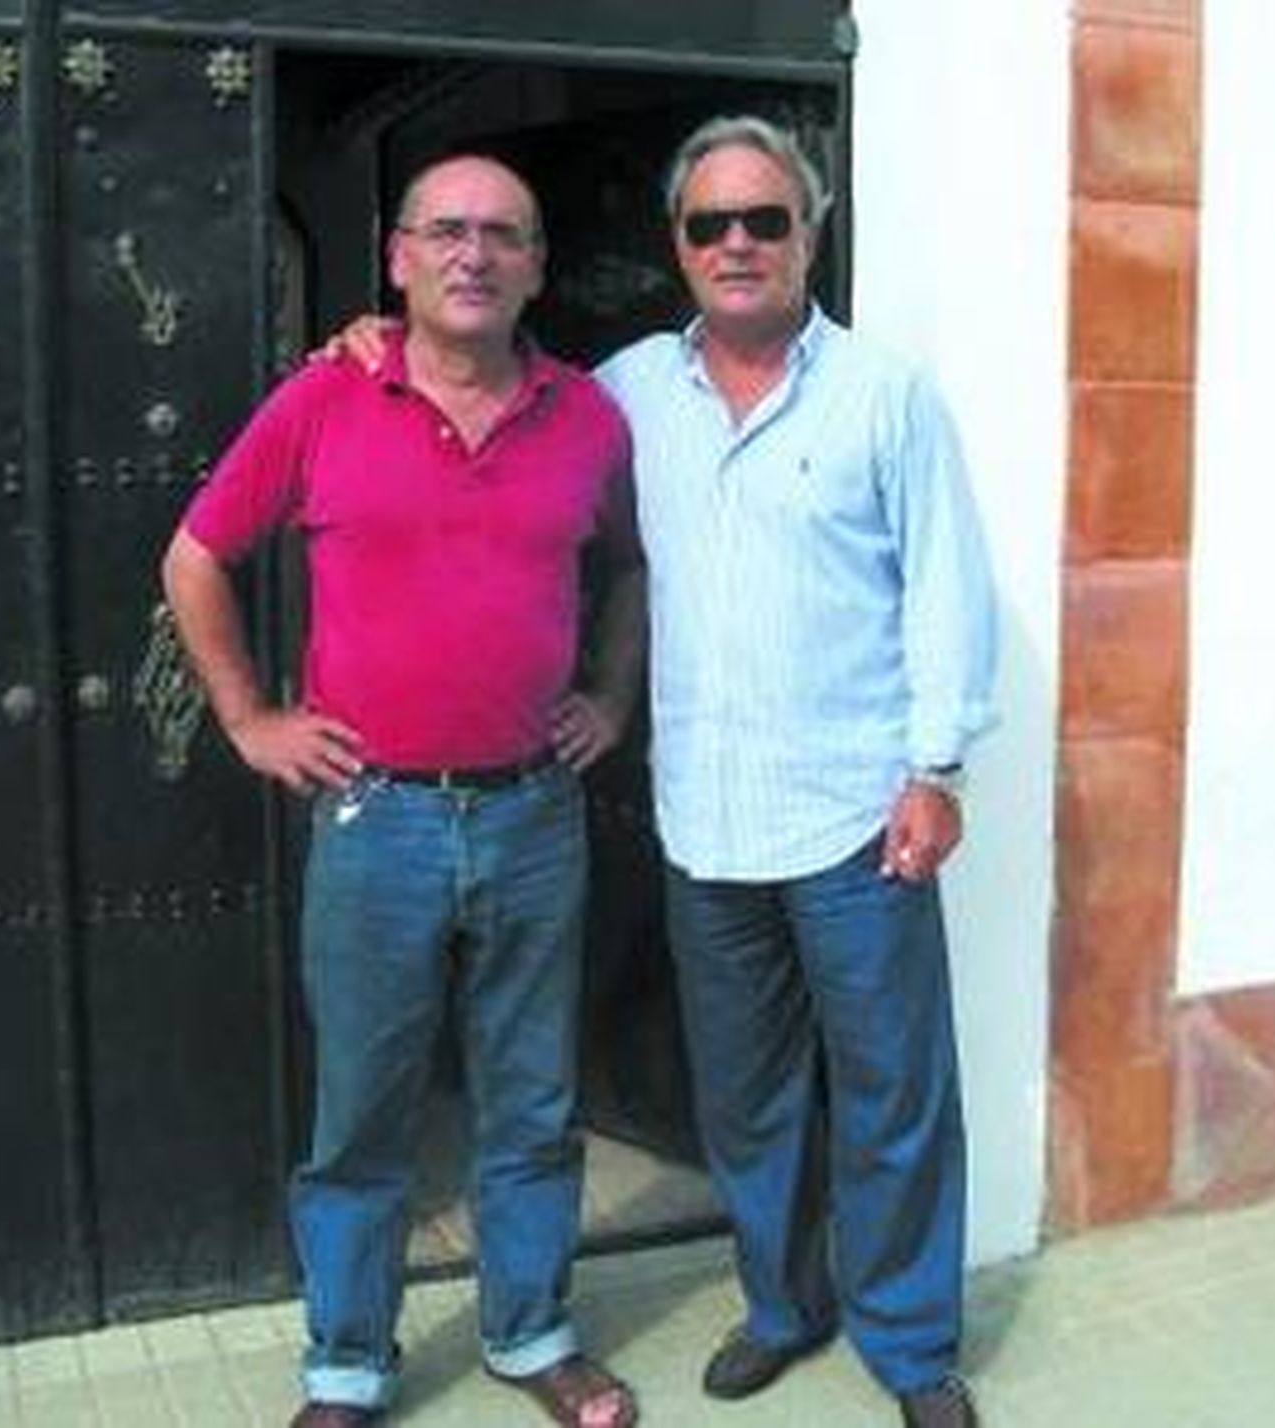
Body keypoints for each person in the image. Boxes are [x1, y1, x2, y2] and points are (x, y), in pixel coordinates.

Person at [336, 114, 996, 1428]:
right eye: (712, 224)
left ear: (811, 234)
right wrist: (368, 346)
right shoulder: (626, 391)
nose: (739, 244)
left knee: (892, 1095)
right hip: (708, 822)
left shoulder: (886, 395)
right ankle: (783, 1306)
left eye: (767, 220)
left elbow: (946, 588)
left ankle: (913, 1346)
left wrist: (936, 768)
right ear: (678, 245)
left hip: (862, 816)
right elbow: (486, 386)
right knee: (746, 1100)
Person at [161, 153, 644, 1428]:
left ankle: (533, 1335)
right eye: (446, 231)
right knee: (364, 1110)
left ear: (538, 265)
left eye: (502, 234)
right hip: (378, 816)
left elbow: (632, 569)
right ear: (399, 257)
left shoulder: (588, 416)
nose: (473, 254)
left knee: (532, 1098)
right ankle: (347, 1365)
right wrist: (249, 717)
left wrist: (611, 694)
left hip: (536, 810)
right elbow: (196, 555)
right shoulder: (326, 398)